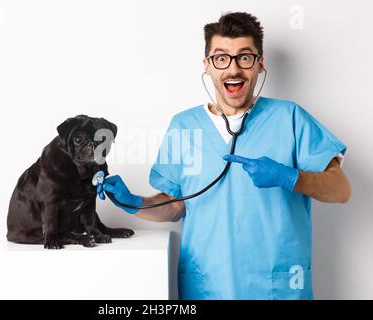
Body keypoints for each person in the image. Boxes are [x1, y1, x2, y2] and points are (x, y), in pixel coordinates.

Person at [97, 12, 351, 300]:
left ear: (260, 63)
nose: (233, 69)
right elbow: (174, 207)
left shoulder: (290, 119)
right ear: (207, 65)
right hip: (208, 288)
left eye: (244, 57)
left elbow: (341, 190)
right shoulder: (184, 126)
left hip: (278, 289)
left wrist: (289, 177)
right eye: (221, 58)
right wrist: (133, 203)